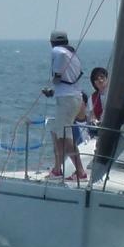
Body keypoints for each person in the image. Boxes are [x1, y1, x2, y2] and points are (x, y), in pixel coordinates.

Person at [41, 31, 87, 182]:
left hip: (67, 100)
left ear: (52, 42)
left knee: (65, 137)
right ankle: (57, 169)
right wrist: (53, 91)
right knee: (58, 134)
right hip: (73, 98)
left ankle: (80, 172)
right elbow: (69, 82)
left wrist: (56, 77)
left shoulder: (58, 51)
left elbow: (59, 71)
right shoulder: (73, 54)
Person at [72, 66, 108, 154]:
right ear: (94, 83)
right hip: (101, 132)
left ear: (107, 78)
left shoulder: (116, 95)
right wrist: (95, 122)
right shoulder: (92, 99)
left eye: (102, 77)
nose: (100, 80)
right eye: (96, 79)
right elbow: (91, 117)